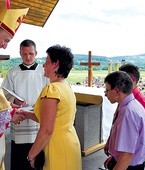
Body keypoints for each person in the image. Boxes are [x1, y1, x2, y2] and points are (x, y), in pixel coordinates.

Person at [19, 45, 82, 170]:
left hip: (57, 145)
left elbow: (47, 129)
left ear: (55, 64)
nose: (43, 65)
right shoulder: (65, 87)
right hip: (70, 142)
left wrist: (31, 155)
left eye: (46, 61)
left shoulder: (52, 89)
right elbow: (53, 119)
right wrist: (26, 114)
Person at [1, 39, 48, 170]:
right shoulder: (12, 72)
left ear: (36, 53)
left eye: (31, 54)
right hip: (19, 117)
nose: (27, 57)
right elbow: (4, 95)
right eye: (24, 54)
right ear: (20, 53)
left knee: (37, 157)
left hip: (36, 119)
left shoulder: (43, 72)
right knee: (19, 159)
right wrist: (15, 101)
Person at [0, 5, 29, 170]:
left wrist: (10, 107)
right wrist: (10, 113)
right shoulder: (13, 71)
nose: (4, 46)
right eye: (6, 40)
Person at [103, 71, 145, 170]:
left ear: (117, 91)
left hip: (129, 165)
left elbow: (127, 153)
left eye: (107, 90)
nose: (106, 94)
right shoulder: (132, 104)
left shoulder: (128, 112)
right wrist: (115, 158)